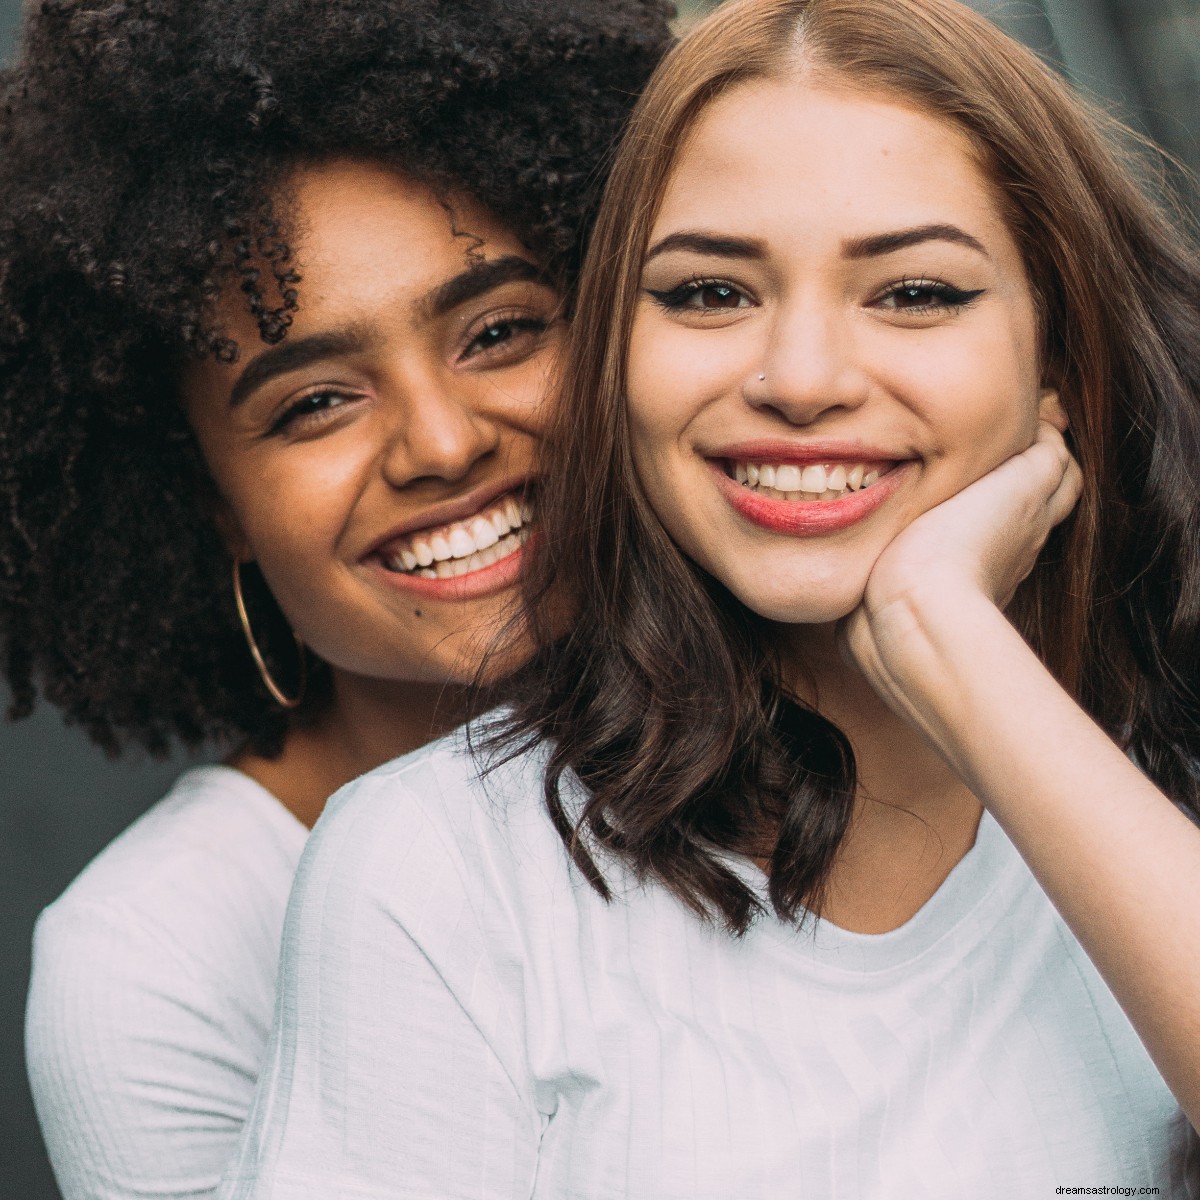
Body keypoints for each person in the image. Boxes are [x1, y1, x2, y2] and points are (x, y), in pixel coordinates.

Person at [217, 0, 1200, 1194]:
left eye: (915, 292)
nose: (798, 379)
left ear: (1063, 358)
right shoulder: (434, 872)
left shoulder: (1164, 781)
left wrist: (953, 640)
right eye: (708, 295)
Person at [0, 0, 672, 1195]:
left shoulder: (821, 725)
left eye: (500, 330)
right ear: (210, 501)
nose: (442, 442)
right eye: (314, 401)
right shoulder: (158, 962)